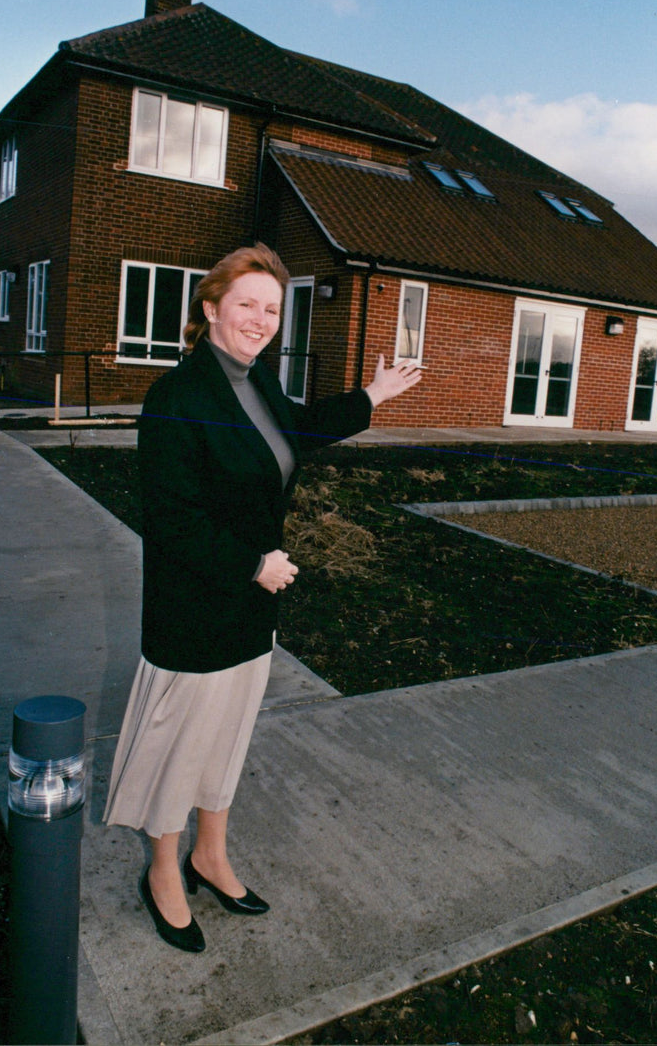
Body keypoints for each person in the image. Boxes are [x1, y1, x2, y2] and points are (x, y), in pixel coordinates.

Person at [104, 242, 422, 952]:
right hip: (196, 607)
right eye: (246, 303)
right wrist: (253, 564)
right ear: (211, 309)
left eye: (272, 308)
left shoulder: (259, 383)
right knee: (178, 747)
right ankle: (161, 871)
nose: (259, 318)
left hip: (250, 605)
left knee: (225, 742)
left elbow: (296, 435)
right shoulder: (176, 397)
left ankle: (209, 856)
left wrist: (372, 398)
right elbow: (172, 519)